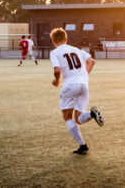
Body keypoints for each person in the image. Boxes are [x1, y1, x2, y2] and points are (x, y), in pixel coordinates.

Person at [50, 27, 104, 155]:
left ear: (53, 41)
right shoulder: (76, 49)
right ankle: (91, 114)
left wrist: (57, 81)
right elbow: (91, 61)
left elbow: (57, 70)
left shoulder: (55, 52)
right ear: (66, 39)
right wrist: (84, 75)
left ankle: (82, 145)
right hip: (83, 85)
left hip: (70, 85)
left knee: (67, 116)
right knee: (78, 118)